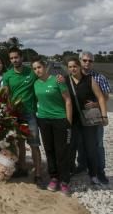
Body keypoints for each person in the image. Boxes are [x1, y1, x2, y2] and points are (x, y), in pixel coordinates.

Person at [2, 48, 43, 185]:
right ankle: (22, 168)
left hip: (30, 114)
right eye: (11, 58)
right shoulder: (7, 75)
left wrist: (60, 79)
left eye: (16, 57)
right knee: (19, 144)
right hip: (16, 114)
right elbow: (6, 94)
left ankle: (37, 173)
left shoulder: (31, 72)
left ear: (21, 57)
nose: (14, 60)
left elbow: (44, 78)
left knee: (34, 144)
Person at [32, 58, 73, 195]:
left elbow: (68, 100)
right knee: (49, 150)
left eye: (39, 67)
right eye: (35, 68)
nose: (37, 70)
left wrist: (68, 121)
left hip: (60, 119)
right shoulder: (36, 83)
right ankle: (54, 177)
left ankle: (65, 181)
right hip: (43, 120)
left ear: (45, 67)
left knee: (61, 151)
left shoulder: (57, 80)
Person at [66, 57, 107, 187]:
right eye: (70, 67)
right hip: (73, 119)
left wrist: (104, 116)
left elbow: (101, 98)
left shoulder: (90, 80)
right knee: (72, 146)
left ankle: (93, 174)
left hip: (89, 118)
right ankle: (71, 170)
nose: (73, 69)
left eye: (75, 66)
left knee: (91, 147)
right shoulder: (66, 81)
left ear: (79, 67)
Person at [78, 51, 110, 185]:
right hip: (79, 115)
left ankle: (100, 171)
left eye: (90, 61)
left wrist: (96, 104)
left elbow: (106, 97)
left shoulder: (99, 77)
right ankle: (82, 167)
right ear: (80, 61)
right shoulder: (75, 76)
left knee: (98, 144)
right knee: (81, 143)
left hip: (94, 114)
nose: (87, 63)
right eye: (84, 60)